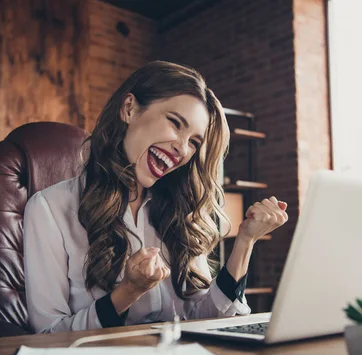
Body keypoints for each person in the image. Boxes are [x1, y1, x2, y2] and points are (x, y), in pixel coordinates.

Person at [23, 61, 288, 333]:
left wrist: (246, 241)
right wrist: (128, 292)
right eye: (175, 123)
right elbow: (48, 334)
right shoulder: (49, 209)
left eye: (194, 142)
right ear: (129, 108)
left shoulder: (180, 211)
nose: (182, 148)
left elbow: (202, 318)